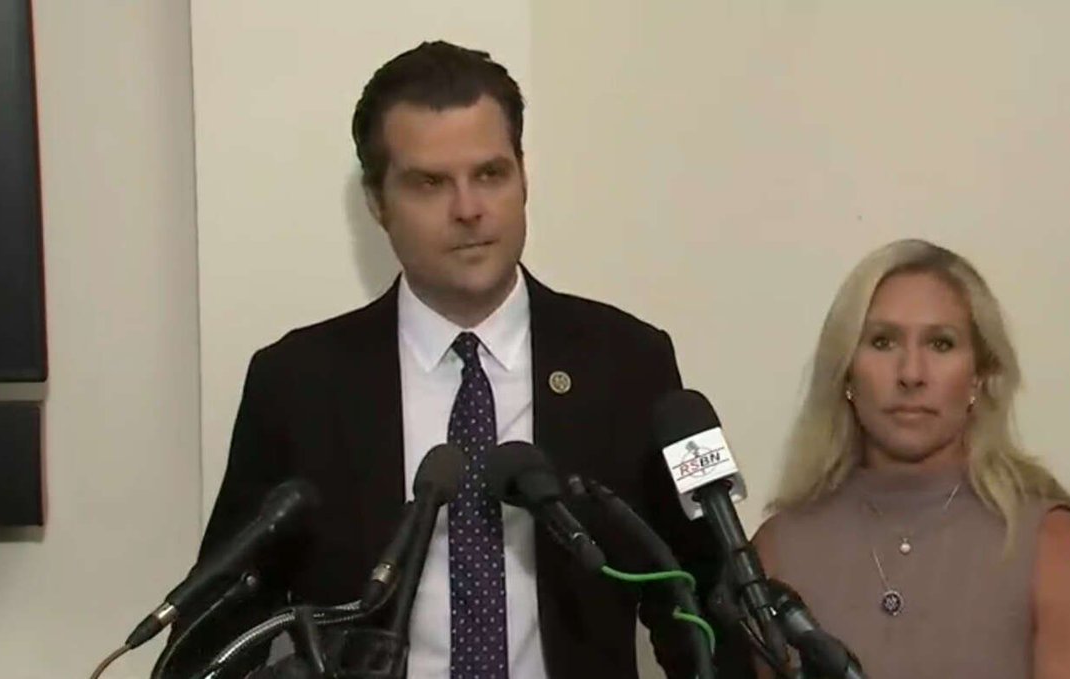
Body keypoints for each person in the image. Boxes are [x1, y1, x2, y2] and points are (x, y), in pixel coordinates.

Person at [162, 41, 729, 679]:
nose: (468, 209)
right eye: (430, 183)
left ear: (523, 177)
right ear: (377, 202)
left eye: (490, 174)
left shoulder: (628, 362)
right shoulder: (298, 384)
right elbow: (216, 630)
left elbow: (702, 599)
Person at [751, 239, 1070, 679]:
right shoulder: (777, 551)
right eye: (882, 342)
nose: (911, 374)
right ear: (846, 370)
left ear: (979, 376)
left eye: (941, 344)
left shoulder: (1052, 545)